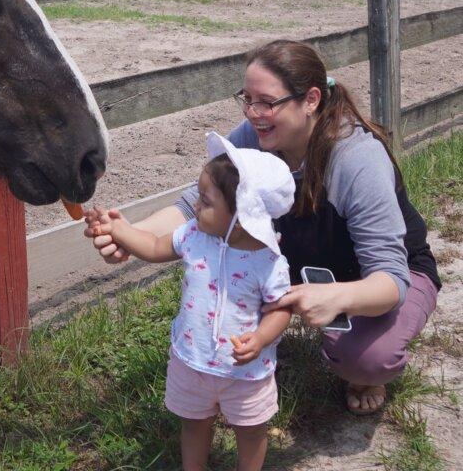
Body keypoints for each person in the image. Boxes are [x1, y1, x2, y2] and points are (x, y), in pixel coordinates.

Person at [88, 40, 440, 415]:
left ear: (311, 100)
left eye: (267, 102)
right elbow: (198, 203)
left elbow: (391, 281)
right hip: (303, 269)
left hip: (380, 277)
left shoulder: (357, 161)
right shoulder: (256, 136)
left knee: (366, 357)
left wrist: (336, 297)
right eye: (247, 98)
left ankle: (364, 374)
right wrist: (131, 233)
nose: (254, 113)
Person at [88, 132, 294, 471]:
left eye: (206, 201)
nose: (195, 206)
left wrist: (260, 339)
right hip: (191, 358)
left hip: (244, 371)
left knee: (252, 429)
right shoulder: (193, 235)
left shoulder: (267, 260)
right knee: (193, 422)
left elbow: (281, 307)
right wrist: (119, 230)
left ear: (242, 215)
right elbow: (154, 247)